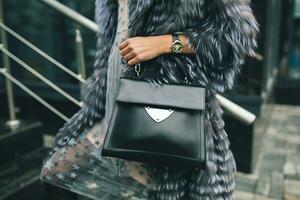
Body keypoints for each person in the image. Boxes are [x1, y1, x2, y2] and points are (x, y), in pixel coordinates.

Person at [40, 0, 259, 199]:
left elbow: (235, 37)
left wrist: (163, 43)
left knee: (151, 188)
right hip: (112, 102)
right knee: (55, 171)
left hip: (161, 111)